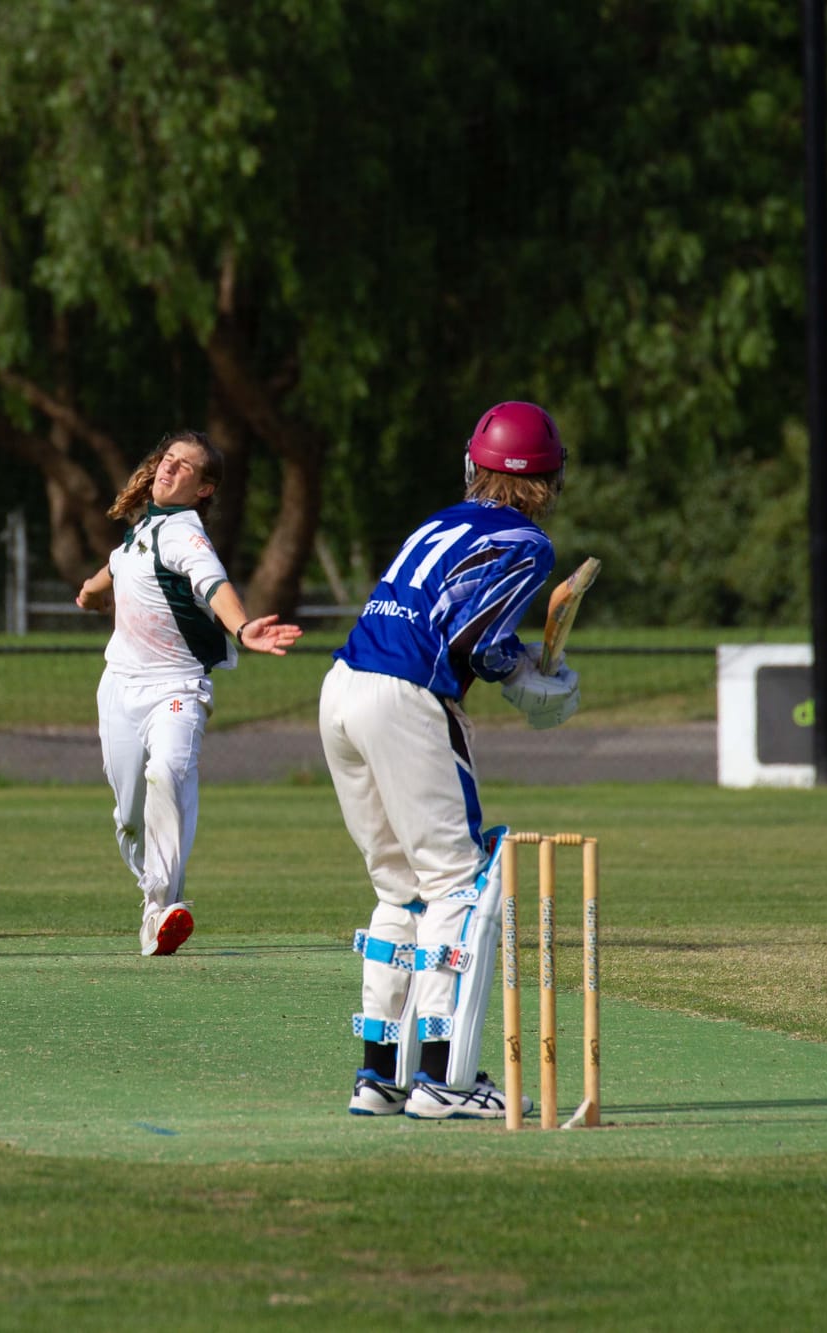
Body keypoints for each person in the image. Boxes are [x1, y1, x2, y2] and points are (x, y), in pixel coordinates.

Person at [320, 401, 581, 1120]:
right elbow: (473, 636)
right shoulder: (530, 543)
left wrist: (517, 659)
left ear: (475, 465)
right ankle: (446, 1079)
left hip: (340, 688)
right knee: (459, 886)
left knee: (398, 890)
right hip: (404, 698)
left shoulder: (438, 520)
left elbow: (448, 615)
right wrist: (529, 679)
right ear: (549, 480)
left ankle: (380, 1075)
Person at [74, 431, 303, 955]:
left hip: (177, 686)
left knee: (169, 772)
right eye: (167, 461)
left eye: (185, 468)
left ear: (204, 489)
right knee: (128, 816)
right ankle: (153, 896)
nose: (169, 470)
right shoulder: (143, 530)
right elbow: (116, 563)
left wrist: (243, 629)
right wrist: (89, 592)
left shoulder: (185, 535)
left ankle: (162, 907)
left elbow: (213, 584)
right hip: (120, 686)